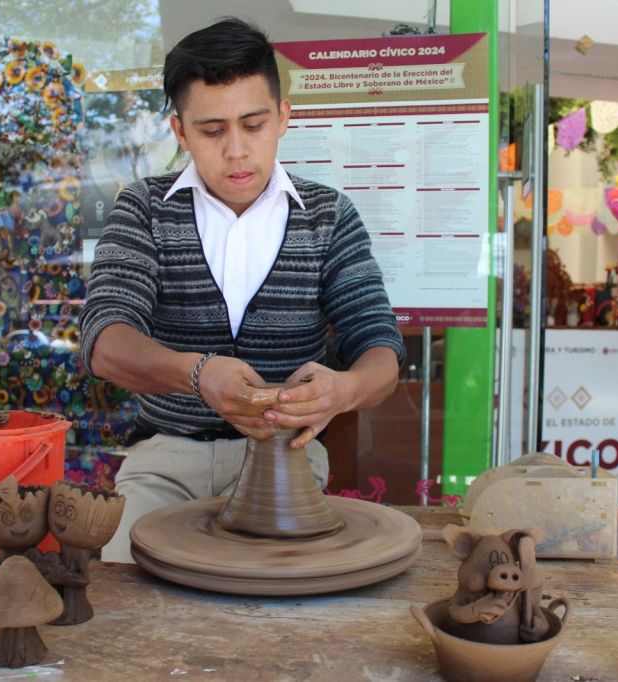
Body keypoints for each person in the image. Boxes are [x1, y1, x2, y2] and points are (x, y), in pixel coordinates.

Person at [79, 17, 404, 562]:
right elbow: (104, 341)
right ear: (180, 132)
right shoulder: (142, 210)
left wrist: (342, 393)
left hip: (287, 463)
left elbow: (380, 349)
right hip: (165, 462)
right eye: (211, 131)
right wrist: (199, 376)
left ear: (283, 117)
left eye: (253, 125)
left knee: (280, 603)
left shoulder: (328, 217)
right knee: (124, 585)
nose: (236, 151)